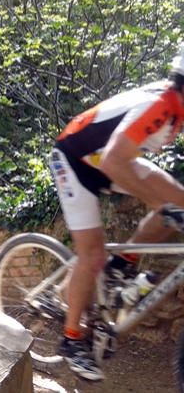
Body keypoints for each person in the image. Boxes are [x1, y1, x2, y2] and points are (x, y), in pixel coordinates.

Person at [49, 45, 184, 381]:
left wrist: (167, 205)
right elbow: (112, 160)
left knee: (179, 200)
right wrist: (160, 206)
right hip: (76, 158)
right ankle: (71, 339)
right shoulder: (161, 106)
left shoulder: (176, 107)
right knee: (92, 255)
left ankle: (121, 264)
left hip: (108, 157)